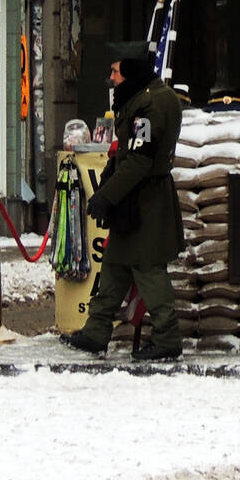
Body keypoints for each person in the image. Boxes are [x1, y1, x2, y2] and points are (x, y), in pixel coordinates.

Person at [60, 41, 185, 361]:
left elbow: (139, 161)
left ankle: (167, 338)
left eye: (115, 71)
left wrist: (106, 196)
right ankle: (95, 333)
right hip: (134, 199)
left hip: (145, 201)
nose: (111, 78)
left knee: (146, 268)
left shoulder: (150, 105)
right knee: (115, 264)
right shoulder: (147, 98)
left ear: (130, 72)